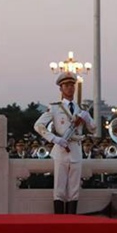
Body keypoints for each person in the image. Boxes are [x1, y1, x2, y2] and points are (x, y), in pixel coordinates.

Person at [34, 71, 95, 215]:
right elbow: (38, 125)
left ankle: (72, 219)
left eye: (72, 85)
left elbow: (93, 129)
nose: (70, 88)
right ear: (61, 89)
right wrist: (54, 139)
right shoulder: (55, 108)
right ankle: (59, 220)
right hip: (61, 148)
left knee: (74, 188)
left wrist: (87, 119)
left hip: (76, 148)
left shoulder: (82, 109)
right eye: (66, 85)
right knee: (59, 187)